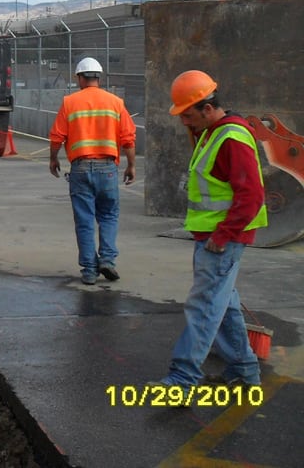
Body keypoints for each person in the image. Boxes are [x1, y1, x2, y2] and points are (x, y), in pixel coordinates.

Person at [152, 70, 267, 390]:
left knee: (204, 306)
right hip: (213, 236)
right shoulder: (212, 131)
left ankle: (182, 378)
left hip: (222, 239)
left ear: (207, 108)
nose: (184, 122)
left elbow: (252, 196)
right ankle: (244, 370)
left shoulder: (230, 137)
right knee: (223, 303)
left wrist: (223, 235)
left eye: (187, 115)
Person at [49, 57, 137, 285]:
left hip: (80, 169)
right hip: (108, 168)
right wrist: (131, 165)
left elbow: (57, 136)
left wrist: (53, 160)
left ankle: (89, 270)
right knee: (108, 215)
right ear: (99, 77)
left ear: (80, 77)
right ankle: (107, 260)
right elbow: (128, 138)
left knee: (85, 219)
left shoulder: (70, 102)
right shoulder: (116, 102)